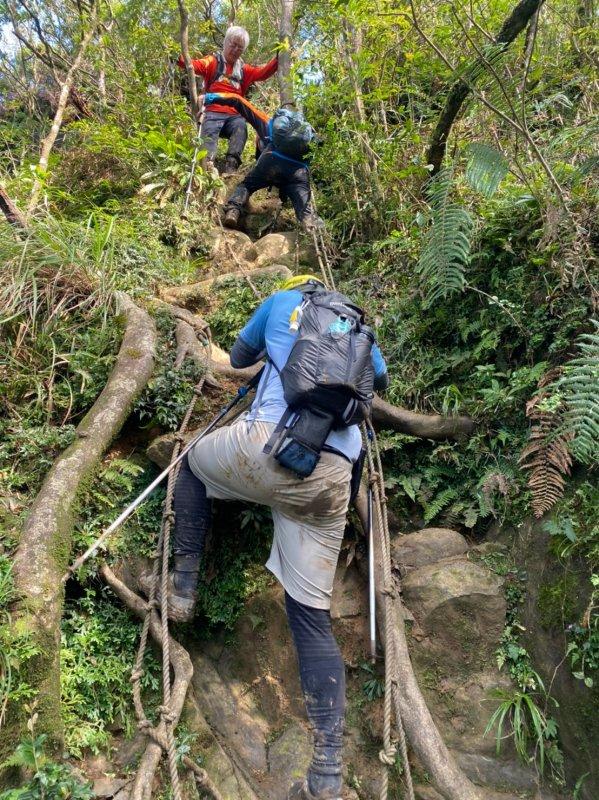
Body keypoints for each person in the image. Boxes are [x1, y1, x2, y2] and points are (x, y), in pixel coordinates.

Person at [148, 274, 389, 800]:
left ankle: (182, 588)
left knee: (189, 462)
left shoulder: (281, 301)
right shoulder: (358, 330)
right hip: (332, 479)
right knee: (310, 618)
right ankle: (327, 775)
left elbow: (237, 356)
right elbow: (380, 383)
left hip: (266, 450)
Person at [199, 92, 322, 231]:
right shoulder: (309, 135)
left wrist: (208, 98)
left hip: (271, 162)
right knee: (306, 211)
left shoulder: (268, 123)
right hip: (298, 171)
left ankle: (233, 210)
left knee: (246, 185)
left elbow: (238, 100)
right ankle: (314, 231)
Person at [177, 26, 278, 173]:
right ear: (225, 42)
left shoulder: (244, 70)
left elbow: (262, 73)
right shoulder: (212, 62)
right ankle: (207, 167)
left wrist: (279, 57)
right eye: (233, 44)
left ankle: (231, 166)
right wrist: (177, 56)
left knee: (241, 127)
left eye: (240, 47)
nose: (236, 49)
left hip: (233, 116)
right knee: (209, 131)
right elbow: (193, 65)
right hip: (211, 113)